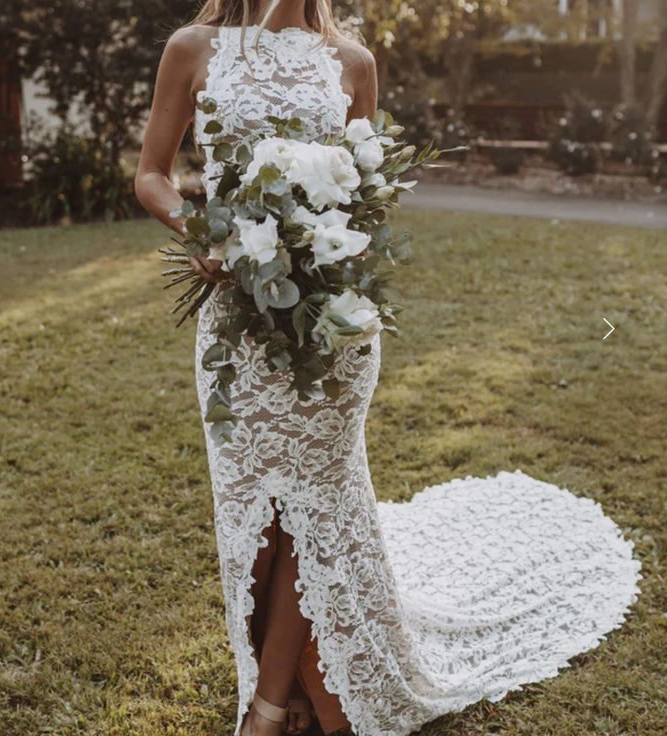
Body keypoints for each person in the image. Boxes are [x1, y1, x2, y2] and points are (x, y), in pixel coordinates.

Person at [134, 2, 642, 736]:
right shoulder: (192, 47)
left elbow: (365, 206)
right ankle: (278, 687)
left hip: (332, 329)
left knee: (310, 513)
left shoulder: (354, 64)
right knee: (261, 522)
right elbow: (151, 173)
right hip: (237, 329)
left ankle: (267, 712)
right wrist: (199, 231)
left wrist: (334, 252)